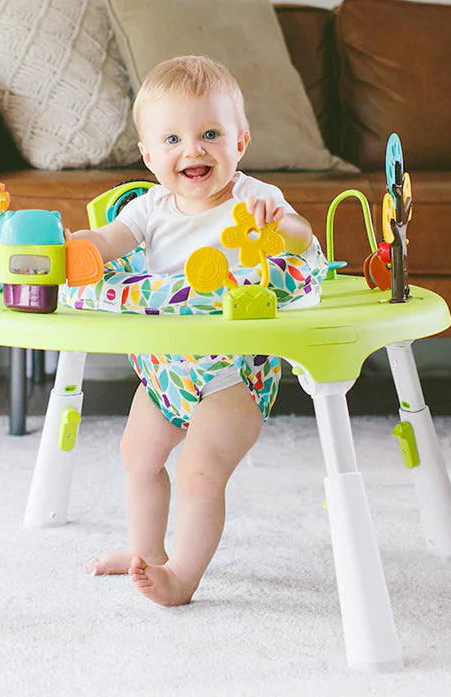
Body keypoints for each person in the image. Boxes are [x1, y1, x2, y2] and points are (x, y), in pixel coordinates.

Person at [70, 54, 322, 607]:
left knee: (200, 474)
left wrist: (279, 224)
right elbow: (110, 241)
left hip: (233, 377)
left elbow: (304, 241)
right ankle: (147, 553)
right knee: (137, 458)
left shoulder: (253, 200)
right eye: (174, 138)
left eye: (211, 133)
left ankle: (182, 576)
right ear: (148, 154)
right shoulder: (149, 207)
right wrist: (75, 247)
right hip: (167, 372)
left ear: (241, 141)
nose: (194, 149)